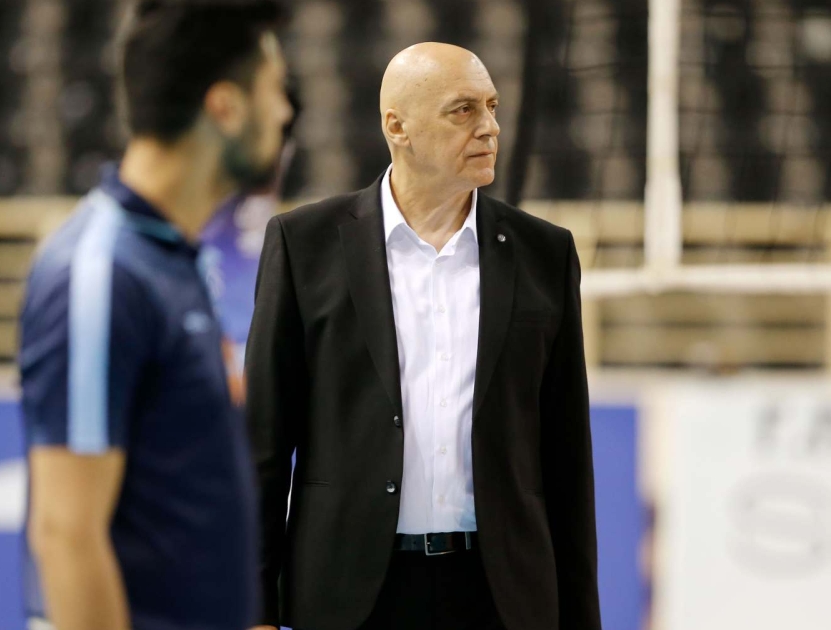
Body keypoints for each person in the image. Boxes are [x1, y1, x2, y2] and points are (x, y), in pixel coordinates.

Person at [246, 43, 601, 630]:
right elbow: (263, 444)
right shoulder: (303, 245)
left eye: (492, 107)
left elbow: (567, 460)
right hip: (349, 596)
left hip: (501, 596)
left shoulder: (545, 252)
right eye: (463, 110)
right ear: (397, 127)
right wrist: (253, 608)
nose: (489, 128)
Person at [17, 2, 293, 629]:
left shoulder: (176, 259)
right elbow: (66, 534)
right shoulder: (100, 273)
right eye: (274, 90)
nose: (284, 113)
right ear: (226, 106)